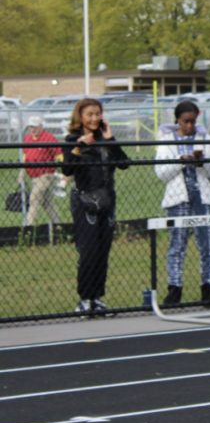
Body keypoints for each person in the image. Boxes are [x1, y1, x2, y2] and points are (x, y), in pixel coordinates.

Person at [61, 98, 129, 316]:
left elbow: (124, 163)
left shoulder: (105, 139)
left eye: (97, 114)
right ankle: (85, 299)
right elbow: (67, 170)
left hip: (107, 201)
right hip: (85, 202)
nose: (94, 118)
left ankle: (97, 298)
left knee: (102, 252)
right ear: (80, 116)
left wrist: (111, 139)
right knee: (88, 252)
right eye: (89, 114)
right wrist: (79, 148)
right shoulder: (73, 139)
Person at [154, 100, 210, 306]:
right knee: (177, 245)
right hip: (178, 199)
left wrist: (201, 162)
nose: (189, 126)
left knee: (207, 245)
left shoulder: (205, 138)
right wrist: (181, 160)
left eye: (193, 122)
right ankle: (174, 288)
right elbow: (161, 173)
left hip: (203, 197)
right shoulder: (166, 140)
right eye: (185, 122)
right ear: (177, 120)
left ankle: (207, 287)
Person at [19, 116, 65, 227]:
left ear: (41, 126)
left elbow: (60, 156)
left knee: (34, 198)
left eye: (35, 127)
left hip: (46, 175)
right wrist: (21, 174)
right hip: (34, 177)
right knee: (48, 204)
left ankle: (28, 227)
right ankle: (59, 227)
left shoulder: (49, 138)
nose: (32, 129)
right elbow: (25, 159)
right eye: (31, 127)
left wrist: (65, 172)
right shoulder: (28, 139)